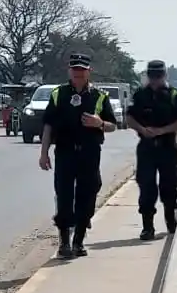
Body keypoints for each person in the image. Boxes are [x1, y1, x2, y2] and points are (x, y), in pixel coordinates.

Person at [38, 52, 119, 259]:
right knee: (64, 196)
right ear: (69, 70)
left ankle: (79, 241)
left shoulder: (99, 96)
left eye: (82, 70)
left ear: (88, 72)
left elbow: (113, 126)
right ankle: (64, 243)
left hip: (89, 153)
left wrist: (99, 122)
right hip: (65, 152)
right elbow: (48, 124)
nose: (78, 73)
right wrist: (43, 152)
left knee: (87, 195)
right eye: (75, 69)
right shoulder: (59, 94)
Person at [126, 60, 177, 240]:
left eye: (158, 76)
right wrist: (142, 129)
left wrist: (162, 130)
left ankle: (170, 220)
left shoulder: (174, 94)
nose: (155, 80)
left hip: (167, 146)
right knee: (146, 186)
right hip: (146, 147)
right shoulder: (140, 94)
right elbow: (129, 117)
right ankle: (148, 226)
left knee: (169, 185)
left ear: (165, 75)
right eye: (152, 76)